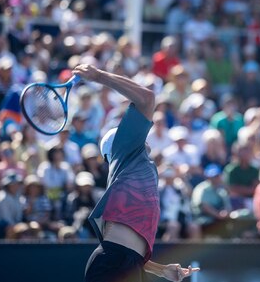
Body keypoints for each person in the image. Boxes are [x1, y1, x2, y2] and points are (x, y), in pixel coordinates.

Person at [73, 64, 199, 282]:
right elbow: (147, 98)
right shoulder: (125, 148)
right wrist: (99, 76)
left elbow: (127, 249)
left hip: (129, 265)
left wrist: (161, 270)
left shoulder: (136, 167)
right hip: (113, 263)